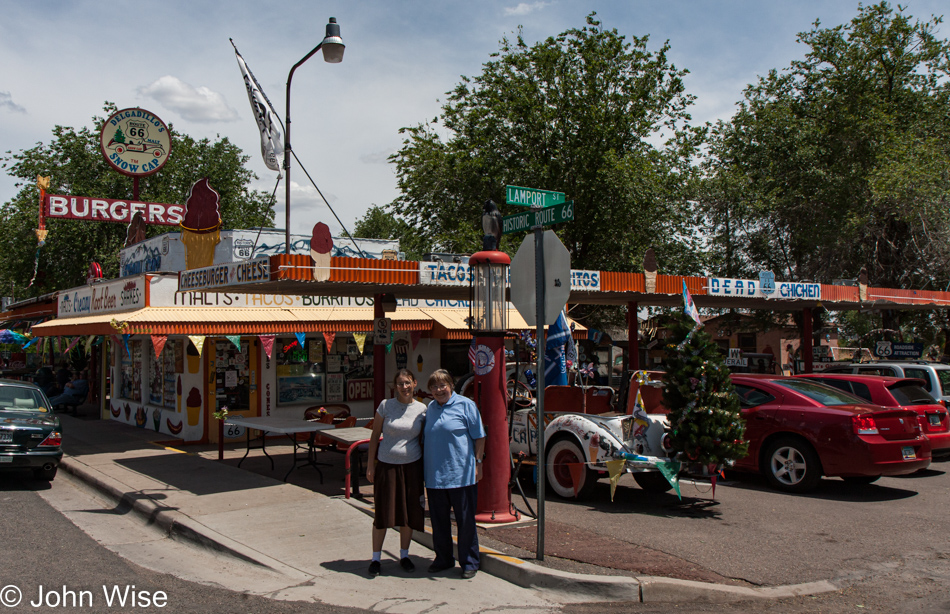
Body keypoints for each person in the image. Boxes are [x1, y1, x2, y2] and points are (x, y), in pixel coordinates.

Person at [423, 369, 486, 580]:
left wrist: (478, 463)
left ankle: (469, 561)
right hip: (435, 476)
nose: (439, 390)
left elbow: (479, 437)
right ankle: (443, 558)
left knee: (465, 521)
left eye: (442, 385)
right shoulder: (430, 408)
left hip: (462, 474)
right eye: (434, 387)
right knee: (439, 522)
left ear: (451, 385)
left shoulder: (466, 405)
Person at [365, 369, 427, 576]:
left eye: (408, 382)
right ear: (395, 386)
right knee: (382, 513)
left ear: (415, 383)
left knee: (408, 513)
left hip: (412, 466)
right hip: (386, 465)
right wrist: (370, 465)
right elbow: (374, 437)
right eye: (400, 383)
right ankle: (375, 558)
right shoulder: (385, 406)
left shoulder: (422, 409)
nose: (404, 387)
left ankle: (405, 555)